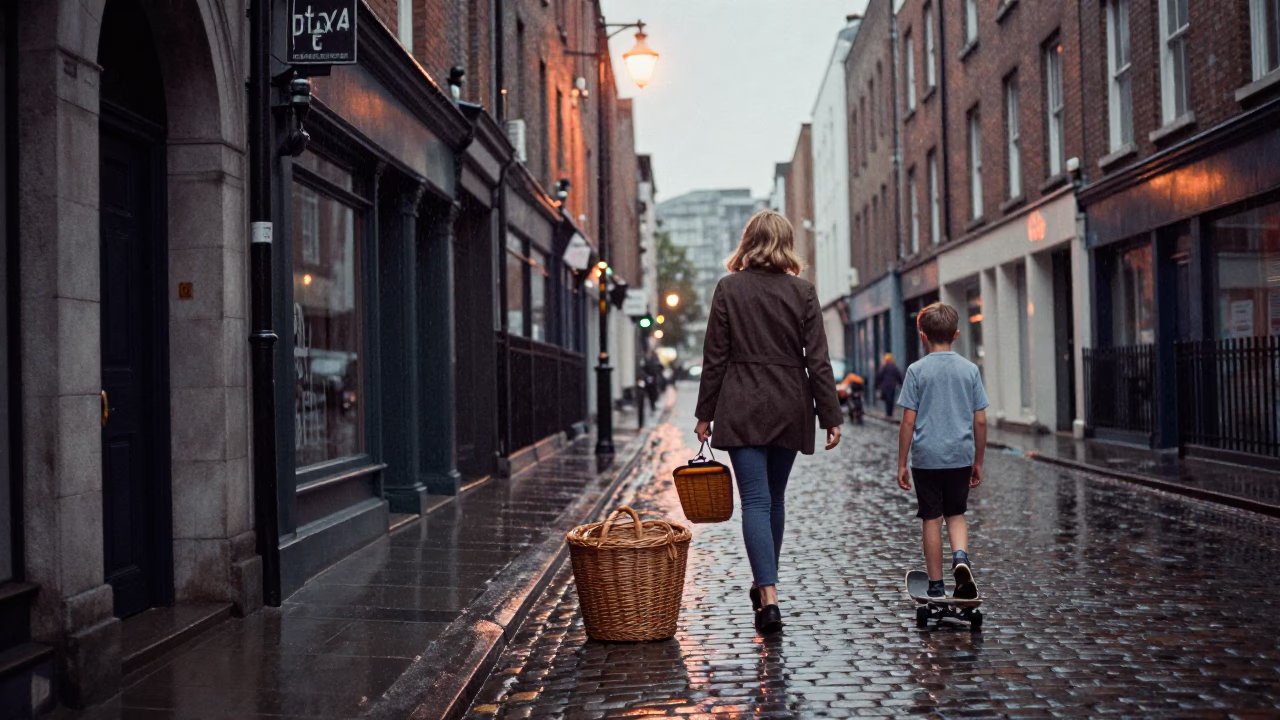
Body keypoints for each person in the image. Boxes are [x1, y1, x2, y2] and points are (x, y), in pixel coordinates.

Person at [694, 210, 843, 634]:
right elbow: (817, 360)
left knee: (756, 502)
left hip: (741, 402)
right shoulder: (803, 292)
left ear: (748, 242)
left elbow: (715, 358)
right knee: (774, 500)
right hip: (789, 402)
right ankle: (767, 590)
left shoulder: (728, 289)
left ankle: (768, 594)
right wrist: (830, 415)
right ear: (786, 243)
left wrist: (705, 413)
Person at [895, 303, 989, 599]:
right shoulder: (970, 370)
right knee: (956, 513)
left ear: (923, 335)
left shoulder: (916, 371)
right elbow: (981, 420)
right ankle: (960, 558)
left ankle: (936, 584)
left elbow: (908, 421)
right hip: (960, 455)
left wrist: (901, 463)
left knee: (931, 518)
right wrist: (978, 461)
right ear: (957, 334)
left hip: (927, 458)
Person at [875, 353, 904, 418]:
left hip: (885, 386)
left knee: (886, 399)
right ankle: (890, 413)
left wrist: (877, 385)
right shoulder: (894, 367)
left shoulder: (884, 367)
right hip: (892, 386)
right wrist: (901, 383)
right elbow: (898, 376)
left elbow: (879, 376)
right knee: (891, 399)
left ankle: (888, 413)